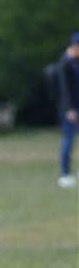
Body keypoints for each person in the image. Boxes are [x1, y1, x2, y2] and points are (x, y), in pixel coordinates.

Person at [56, 33, 79, 189]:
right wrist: (70, 109)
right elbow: (64, 89)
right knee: (69, 140)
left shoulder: (76, 62)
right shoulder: (65, 63)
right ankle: (64, 175)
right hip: (69, 109)